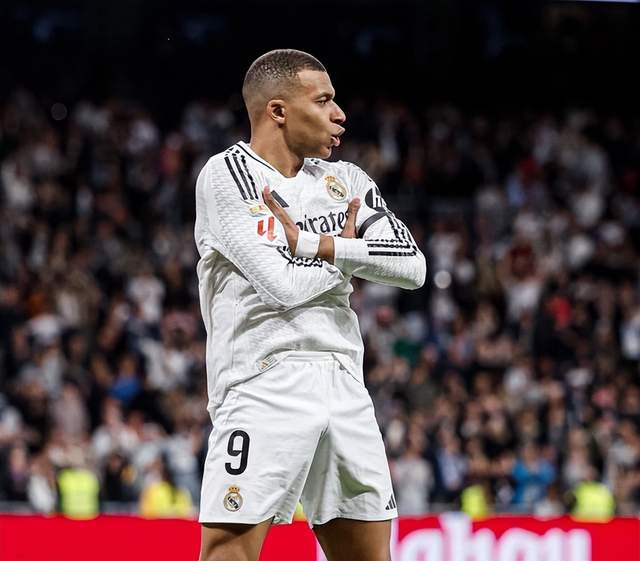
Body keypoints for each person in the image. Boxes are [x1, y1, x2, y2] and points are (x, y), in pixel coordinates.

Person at [194, 49, 426, 561]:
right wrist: (350, 257)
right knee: (229, 554)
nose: (339, 114)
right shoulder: (229, 174)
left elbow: (412, 266)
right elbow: (282, 285)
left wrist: (316, 245)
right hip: (263, 381)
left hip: (345, 381)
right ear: (278, 111)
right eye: (323, 101)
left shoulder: (347, 181)